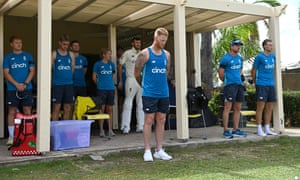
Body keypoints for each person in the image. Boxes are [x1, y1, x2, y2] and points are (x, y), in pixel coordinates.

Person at [135, 27, 172, 161]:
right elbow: (137, 74)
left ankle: (159, 149)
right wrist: (145, 87)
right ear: (155, 38)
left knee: (161, 120)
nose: (163, 43)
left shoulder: (167, 55)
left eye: (165, 41)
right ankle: (147, 150)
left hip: (164, 93)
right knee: (148, 120)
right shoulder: (145, 54)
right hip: (149, 93)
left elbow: (167, 72)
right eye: (161, 40)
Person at [3, 36, 35, 145]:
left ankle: (28, 135)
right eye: (16, 43)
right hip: (12, 88)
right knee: (11, 111)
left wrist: (25, 84)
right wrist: (16, 84)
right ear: (11, 44)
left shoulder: (28, 56)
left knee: (27, 111)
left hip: (27, 88)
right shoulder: (8, 57)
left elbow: (32, 71)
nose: (19, 44)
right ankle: (12, 137)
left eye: (20, 42)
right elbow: (6, 73)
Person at [218, 39, 247, 139]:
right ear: (231, 46)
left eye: (239, 45)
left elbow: (240, 70)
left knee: (238, 108)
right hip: (229, 86)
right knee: (227, 108)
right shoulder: (225, 58)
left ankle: (235, 129)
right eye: (236, 45)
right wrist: (226, 81)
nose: (238, 47)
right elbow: (221, 73)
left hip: (239, 85)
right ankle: (226, 130)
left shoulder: (240, 58)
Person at [251, 39, 278, 136]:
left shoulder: (273, 57)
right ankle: (259, 128)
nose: (271, 46)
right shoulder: (259, 57)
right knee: (260, 107)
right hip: (261, 84)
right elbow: (253, 70)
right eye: (269, 45)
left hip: (271, 85)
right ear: (265, 46)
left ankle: (267, 128)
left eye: (271, 45)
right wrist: (255, 82)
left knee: (269, 107)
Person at [120, 37, 144, 134]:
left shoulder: (143, 54)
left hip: (141, 80)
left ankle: (140, 126)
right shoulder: (127, 53)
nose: (138, 44)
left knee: (141, 104)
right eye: (136, 43)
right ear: (132, 43)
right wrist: (121, 80)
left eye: (139, 43)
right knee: (128, 103)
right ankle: (125, 126)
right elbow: (120, 64)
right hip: (131, 79)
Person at [92, 48, 116, 137]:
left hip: (110, 89)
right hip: (101, 89)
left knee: (110, 109)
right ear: (103, 55)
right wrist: (100, 84)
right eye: (109, 54)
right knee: (101, 109)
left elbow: (113, 75)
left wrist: (111, 83)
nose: (110, 56)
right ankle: (101, 130)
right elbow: (94, 77)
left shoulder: (111, 64)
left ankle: (110, 129)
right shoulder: (97, 64)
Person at [51, 34, 75, 121]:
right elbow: (49, 69)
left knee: (68, 107)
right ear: (59, 43)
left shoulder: (71, 54)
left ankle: (65, 129)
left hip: (68, 84)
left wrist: (67, 78)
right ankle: (54, 129)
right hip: (57, 84)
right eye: (64, 44)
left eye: (67, 45)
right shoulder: (54, 54)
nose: (65, 46)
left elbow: (72, 68)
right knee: (56, 107)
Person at [116, 46, 125, 125]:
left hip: (128, 84)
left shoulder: (126, 61)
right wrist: (120, 82)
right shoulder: (116, 62)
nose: (121, 53)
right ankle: (120, 120)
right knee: (120, 102)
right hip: (120, 84)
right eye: (119, 51)